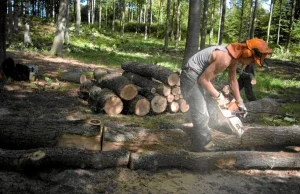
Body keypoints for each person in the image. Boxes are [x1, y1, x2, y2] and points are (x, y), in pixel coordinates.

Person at [180, 38, 272, 152]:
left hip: (197, 76)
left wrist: (240, 101)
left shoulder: (233, 55)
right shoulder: (224, 58)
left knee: (209, 109)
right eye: (252, 61)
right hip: (190, 76)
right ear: (247, 53)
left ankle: (197, 134)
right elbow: (204, 80)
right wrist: (219, 97)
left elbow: (232, 80)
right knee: (202, 112)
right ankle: (203, 147)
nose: (251, 64)